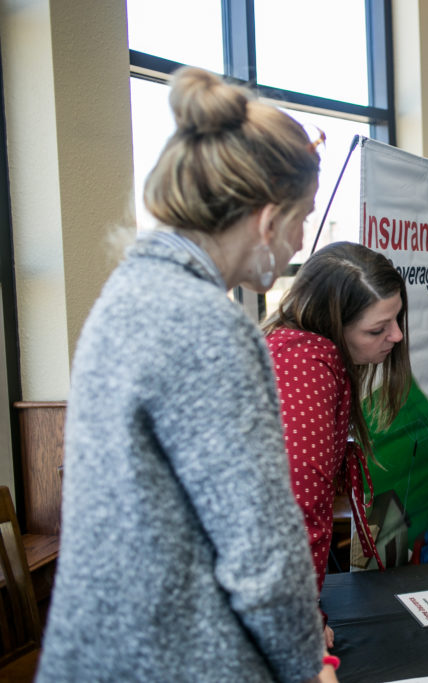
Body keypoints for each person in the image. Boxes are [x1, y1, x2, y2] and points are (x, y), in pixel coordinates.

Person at [37, 68, 338, 681]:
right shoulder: (206, 323)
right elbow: (261, 551)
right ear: (267, 220)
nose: (300, 240)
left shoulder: (129, 293)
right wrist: (309, 662)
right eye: (302, 218)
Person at [263, 241, 411, 647]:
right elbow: (299, 509)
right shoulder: (307, 369)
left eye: (396, 320)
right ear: (332, 324)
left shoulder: (293, 350)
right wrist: (302, 620)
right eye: (377, 329)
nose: (396, 335)